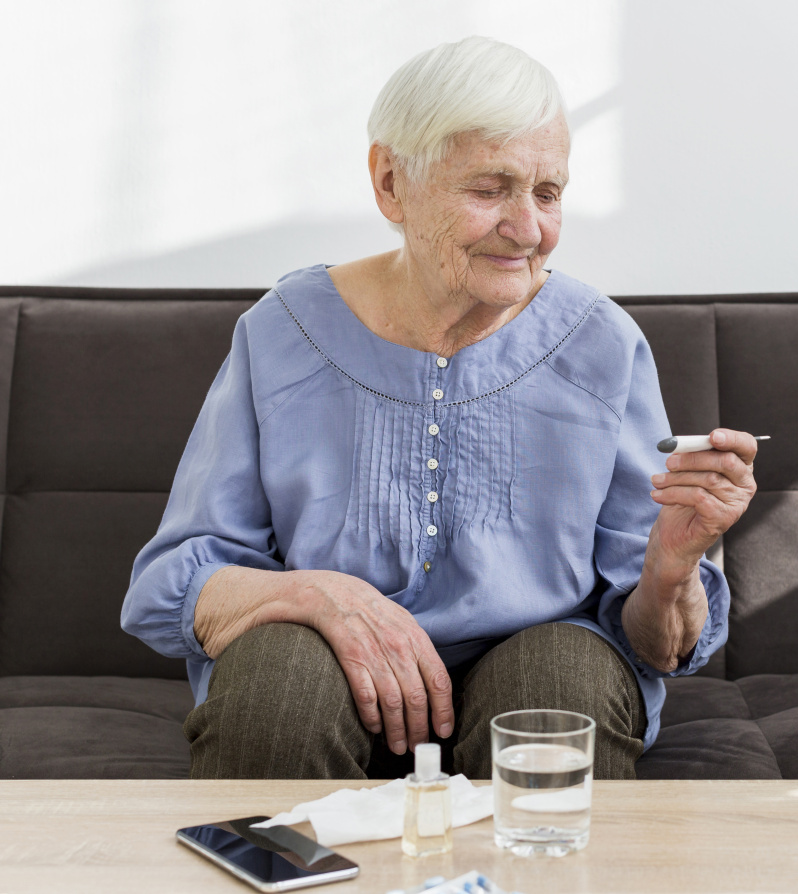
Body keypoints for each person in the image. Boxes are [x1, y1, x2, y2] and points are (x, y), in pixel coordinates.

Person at [121, 36, 758, 781]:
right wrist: (318, 594)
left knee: (557, 685)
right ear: (391, 183)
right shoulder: (285, 330)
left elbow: (656, 643)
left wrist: (671, 568)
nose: (528, 229)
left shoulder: (601, 344)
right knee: (276, 686)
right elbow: (176, 580)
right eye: (490, 190)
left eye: (548, 193)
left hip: (544, 660)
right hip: (327, 662)